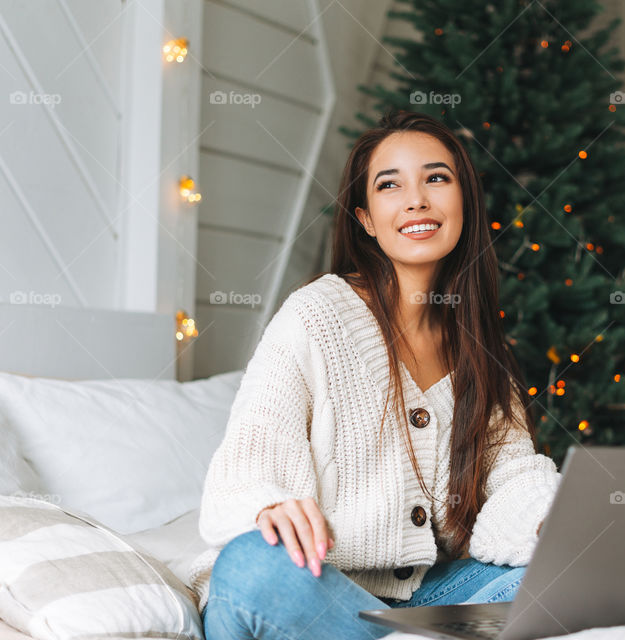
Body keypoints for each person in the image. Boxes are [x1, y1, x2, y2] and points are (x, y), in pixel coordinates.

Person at [189, 109, 561, 639]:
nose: (417, 200)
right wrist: (269, 504)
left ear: (465, 204)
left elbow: (513, 479)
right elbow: (254, 450)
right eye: (391, 185)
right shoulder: (316, 315)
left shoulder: (481, 349)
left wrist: (549, 520)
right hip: (318, 586)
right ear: (364, 218)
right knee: (250, 567)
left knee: (555, 579)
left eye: (437, 178)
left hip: (434, 594)